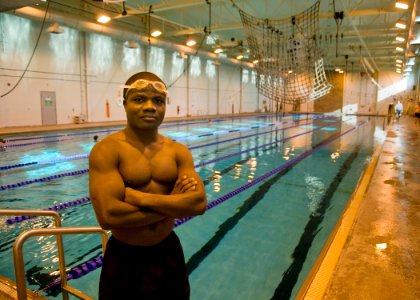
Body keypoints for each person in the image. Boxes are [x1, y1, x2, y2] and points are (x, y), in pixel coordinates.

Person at [89, 71, 207, 299]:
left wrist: (140, 198)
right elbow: (109, 216)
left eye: (158, 101)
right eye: (139, 99)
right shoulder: (107, 150)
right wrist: (174, 203)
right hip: (125, 258)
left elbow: (199, 204)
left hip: (168, 251)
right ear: (124, 104)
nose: (150, 106)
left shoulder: (178, 151)